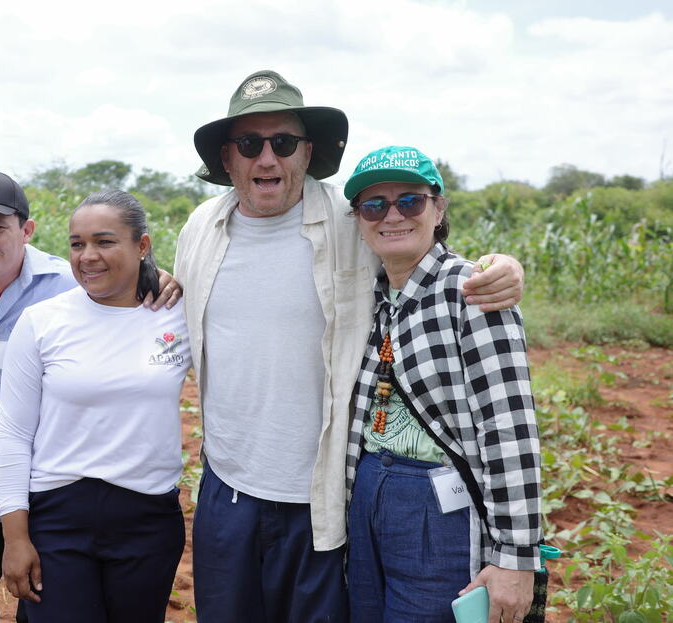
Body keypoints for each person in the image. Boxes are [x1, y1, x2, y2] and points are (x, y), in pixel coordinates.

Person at [174, 70, 526, 622]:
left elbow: (416, 252)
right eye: (249, 144)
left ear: (307, 152)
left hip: (323, 496)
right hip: (228, 486)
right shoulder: (200, 228)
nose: (267, 159)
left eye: (283, 143)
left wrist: (500, 269)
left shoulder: (348, 219)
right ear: (228, 158)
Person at [0, 173, 180, 622]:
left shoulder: (69, 281)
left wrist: (152, 274)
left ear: (26, 230)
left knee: (40, 600)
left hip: (45, 483)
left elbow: (118, 286)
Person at [343, 146, 541, 623]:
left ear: (438, 208)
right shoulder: (369, 292)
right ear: (358, 219)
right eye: (374, 205)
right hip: (369, 488)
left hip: (437, 503)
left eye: (409, 201)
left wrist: (515, 556)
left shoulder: (471, 289)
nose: (392, 216)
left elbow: (508, 425)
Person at [0, 190, 190, 622]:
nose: (87, 257)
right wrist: (15, 539)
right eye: (77, 244)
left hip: (148, 518)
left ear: (142, 246)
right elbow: (12, 433)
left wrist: (173, 280)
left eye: (104, 241)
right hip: (58, 518)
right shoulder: (42, 321)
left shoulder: (178, 314)